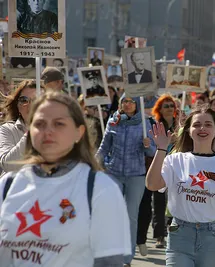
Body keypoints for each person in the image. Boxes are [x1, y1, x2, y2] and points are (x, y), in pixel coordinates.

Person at [0, 92, 131, 266]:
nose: (48, 131)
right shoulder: (8, 185)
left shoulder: (101, 188)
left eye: (59, 124)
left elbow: (109, 262)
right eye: (39, 124)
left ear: (79, 132)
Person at [146, 106, 215, 267]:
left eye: (208, 124)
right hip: (180, 236)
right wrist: (161, 149)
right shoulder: (175, 160)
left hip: (211, 238)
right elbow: (152, 184)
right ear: (188, 130)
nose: (202, 129)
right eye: (197, 124)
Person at [96, 94, 156, 266]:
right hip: (113, 173)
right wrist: (93, 163)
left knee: (130, 216)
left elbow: (152, 152)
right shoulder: (113, 121)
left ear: (137, 105)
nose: (127, 104)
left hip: (136, 175)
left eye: (131, 101)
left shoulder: (145, 123)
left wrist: (147, 145)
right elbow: (104, 146)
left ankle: (126, 258)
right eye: (124, 101)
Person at [137, 95, 177, 254]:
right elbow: (150, 145)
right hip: (156, 166)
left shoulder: (179, 126)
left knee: (168, 202)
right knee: (153, 202)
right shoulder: (153, 124)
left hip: (174, 167)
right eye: (165, 106)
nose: (169, 108)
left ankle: (165, 232)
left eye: (171, 105)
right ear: (159, 108)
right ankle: (151, 236)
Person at [0, 81, 42, 175]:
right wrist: (32, 131)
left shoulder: (55, 131)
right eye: (24, 100)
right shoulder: (7, 130)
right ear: (17, 106)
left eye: (36, 100)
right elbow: (8, 165)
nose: (30, 105)